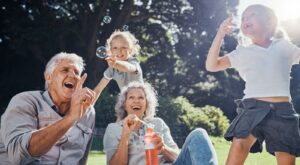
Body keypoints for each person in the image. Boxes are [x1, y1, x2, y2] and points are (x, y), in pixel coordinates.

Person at [206, 4, 300, 165]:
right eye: (243, 18)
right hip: (253, 108)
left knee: (286, 158)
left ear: (269, 21)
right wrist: (220, 35)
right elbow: (212, 65)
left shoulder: (284, 47)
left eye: (251, 15)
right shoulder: (243, 52)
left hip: (283, 111)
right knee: (239, 145)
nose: (245, 20)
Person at [0, 52, 96, 164]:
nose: (73, 75)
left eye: (77, 72)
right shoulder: (25, 101)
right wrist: (70, 118)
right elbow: (18, 156)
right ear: (48, 77)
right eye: (65, 70)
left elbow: (81, 160)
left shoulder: (88, 112)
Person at [103, 81, 218, 165]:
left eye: (141, 97)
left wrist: (163, 148)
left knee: (199, 134)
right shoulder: (113, 128)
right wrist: (125, 135)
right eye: (131, 97)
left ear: (147, 104)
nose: (136, 100)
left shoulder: (157, 123)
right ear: (124, 104)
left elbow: (177, 158)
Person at [94, 30, 143, 102]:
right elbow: (98, 89)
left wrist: (116, 64)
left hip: (141, 100)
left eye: (123, 47)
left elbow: (128, 67)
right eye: (115, 48)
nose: (119, 51)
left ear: (130, 50)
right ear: (110, 51)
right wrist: (88, 104)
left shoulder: (133, 62)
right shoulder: (112, 68)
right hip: (127, 102)